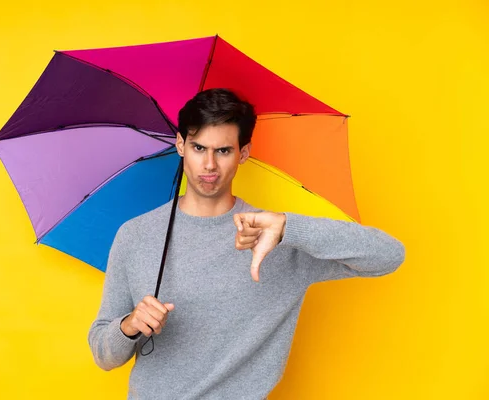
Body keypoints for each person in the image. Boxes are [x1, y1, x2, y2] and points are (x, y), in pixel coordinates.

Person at [88, 88, 405, 399]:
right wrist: (129, 325)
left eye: (223, 151)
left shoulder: (273, 236)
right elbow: (103, 354)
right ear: (181, 145)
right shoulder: (135, 235)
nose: (210, 165)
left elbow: (389, 255)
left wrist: (288, 227)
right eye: (199, 148)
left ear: (243, 153)